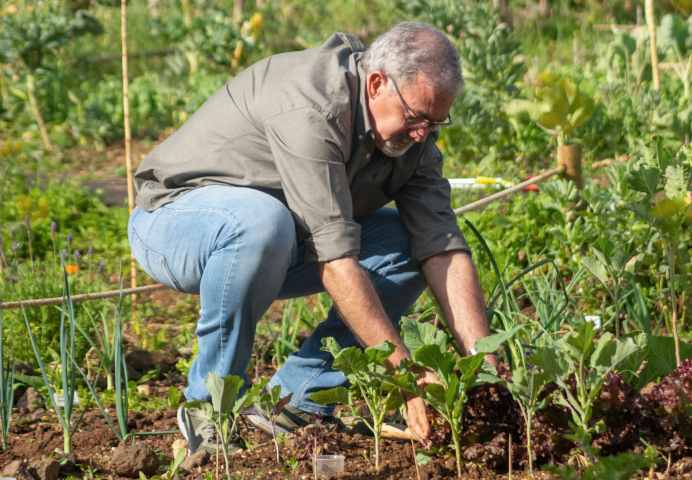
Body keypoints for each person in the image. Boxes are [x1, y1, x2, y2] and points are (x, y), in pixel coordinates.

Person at [128, 20, 496, 455]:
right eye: (416, 117)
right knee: (262, 222)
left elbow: (442, 248)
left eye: (435, 123)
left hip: (278, 238)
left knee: (405, 246)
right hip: (177, 222)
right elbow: (336, 262)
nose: (422, 134)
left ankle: (296, 401)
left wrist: (485, 370)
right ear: (377, 83)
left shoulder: (414, 141)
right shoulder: (313, 106)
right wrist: (406, 376)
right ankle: (210, 406)